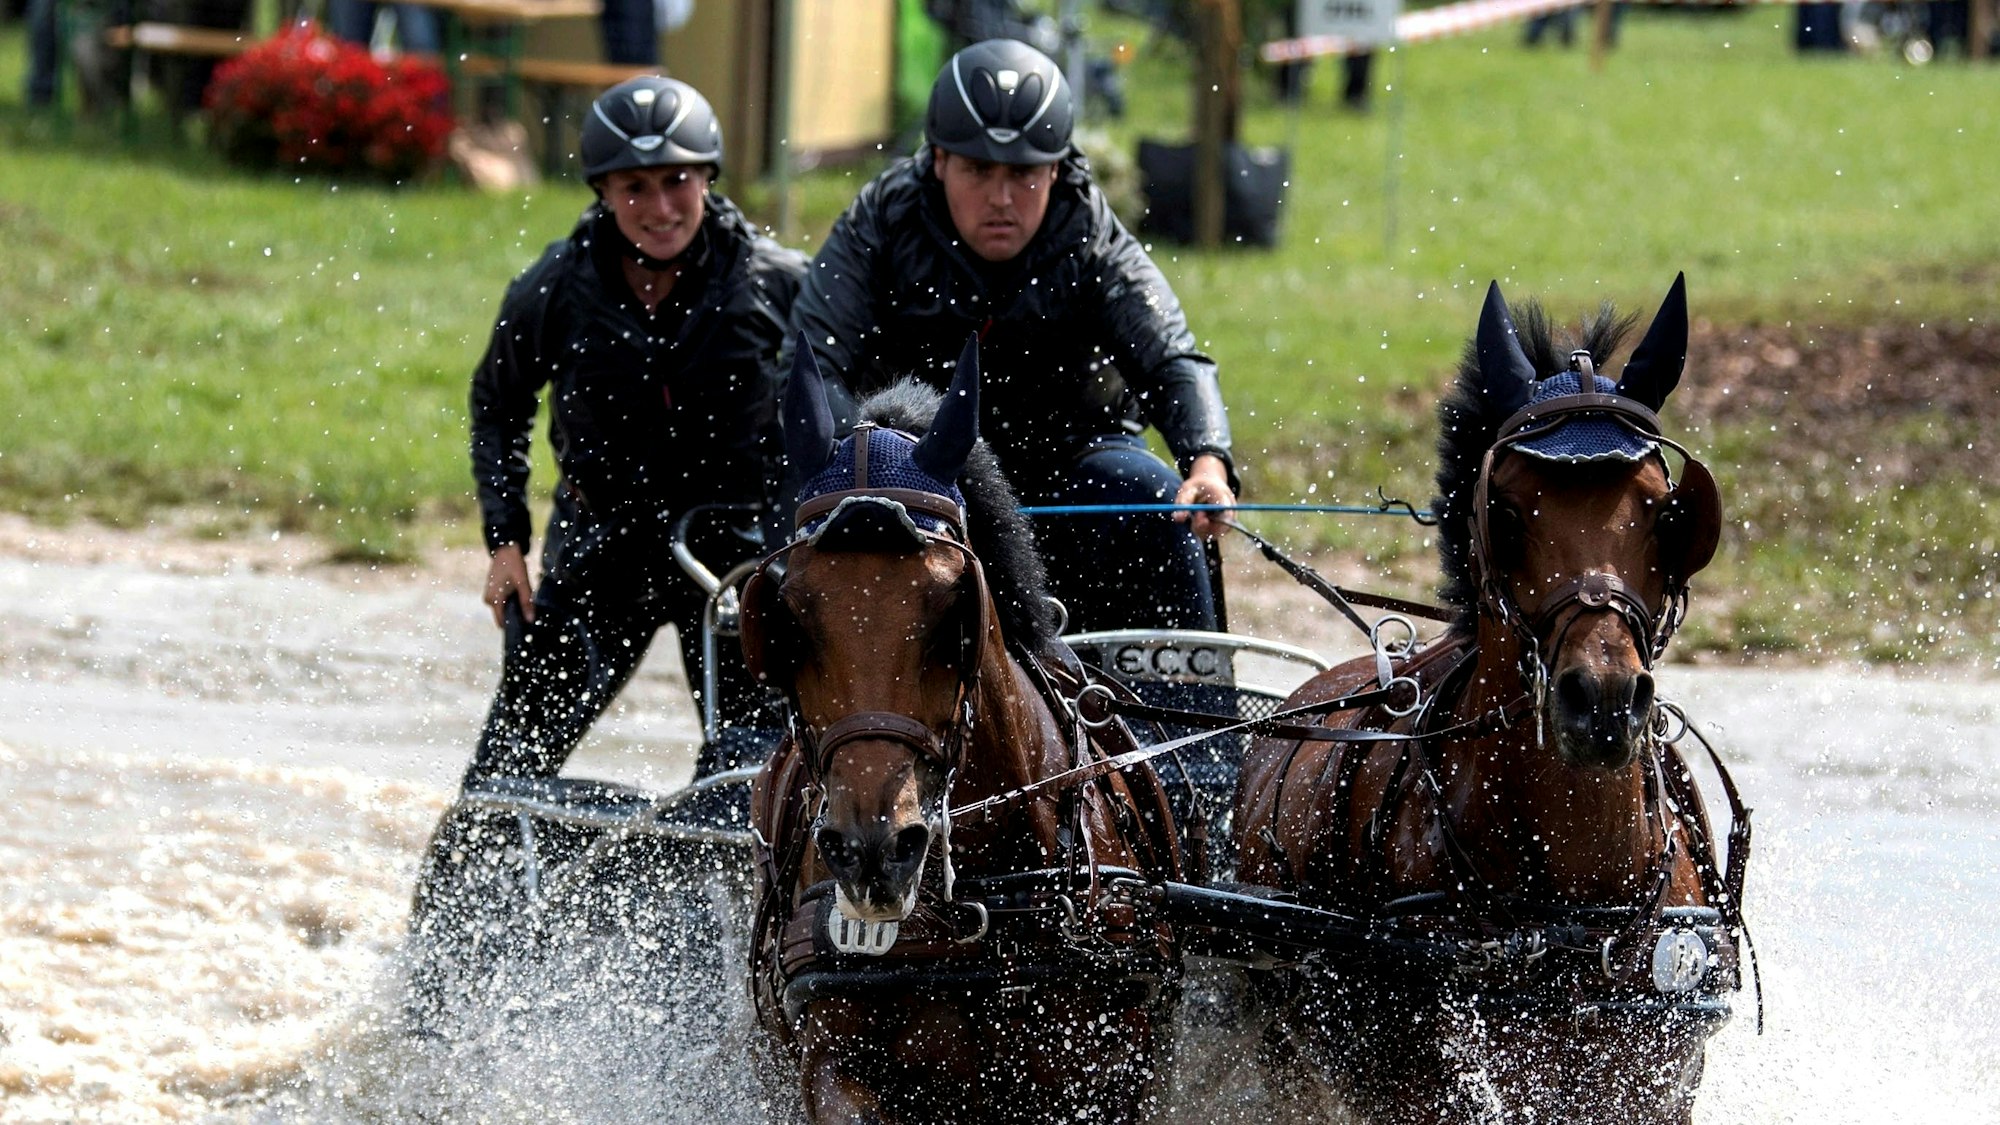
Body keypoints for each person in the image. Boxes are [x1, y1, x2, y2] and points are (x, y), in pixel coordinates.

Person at [407, 76, 805, 1031]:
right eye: (636, 189)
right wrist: (505, 542)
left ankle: (765, 980)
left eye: (677, 183)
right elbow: (497, 406)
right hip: (601, 555)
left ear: (707, 178)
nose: (660, 208)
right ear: (603, 194)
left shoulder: (777, 284)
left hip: (735, 565)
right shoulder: (553, 287)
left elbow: (839, 405)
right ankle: (442, 974)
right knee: (507, 766)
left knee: (753, 774)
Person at [787, 37, 1237, 635]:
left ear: (1055, 167)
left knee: (1150, 490)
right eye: (978, 171)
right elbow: (811, 365)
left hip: (1072, 465)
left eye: (1023, 174)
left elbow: (1172, 358)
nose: (1001, 199)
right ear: (939, 160)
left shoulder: (1092, 232)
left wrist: (1207, 463)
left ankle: (1200, 720)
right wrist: (858, 469)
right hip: (916, 474)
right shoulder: (882, 219)